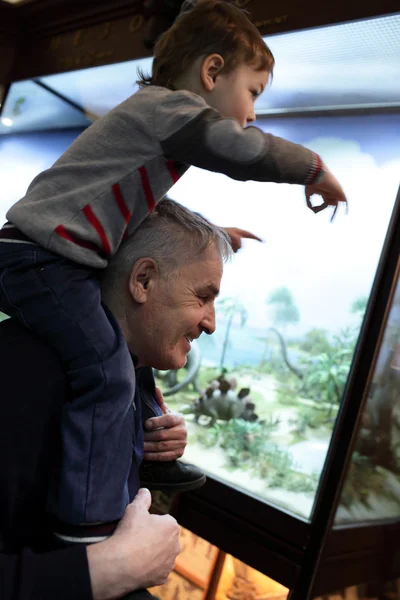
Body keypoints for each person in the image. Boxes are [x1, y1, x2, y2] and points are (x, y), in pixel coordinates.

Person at [0, 0, 348, 540]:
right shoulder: (169, 113)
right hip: (40, 257)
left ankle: (143, 463)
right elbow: (238, 151)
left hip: (47, 255)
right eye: (252, 92)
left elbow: (134, 213)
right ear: (211, 72)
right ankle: (86, 522)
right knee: (107, 370)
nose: (253, 113)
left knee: (125, 368)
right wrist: (312, 168)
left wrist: (213, 238)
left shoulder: (149, 131)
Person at [0, 199, 231, 599]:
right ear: (143, 280)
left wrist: (150, 445)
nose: (210, 322)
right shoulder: (22, 374)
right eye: (203, 297)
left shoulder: (128, 378)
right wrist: (111, 570)